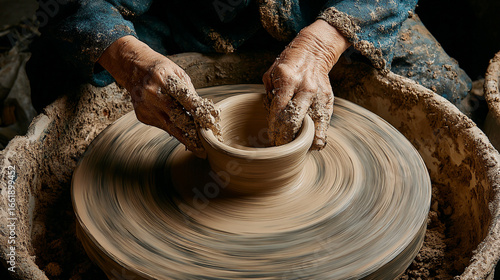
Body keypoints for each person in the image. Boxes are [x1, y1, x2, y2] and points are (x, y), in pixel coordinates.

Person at [27, 0, 471, 154]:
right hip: (177, 21)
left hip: (322, 12)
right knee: (61, 79)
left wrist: (323, 43)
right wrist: (132, 61)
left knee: (446, 92)